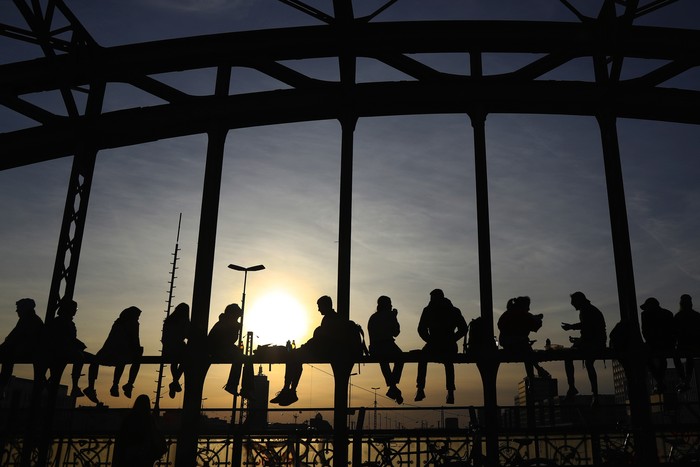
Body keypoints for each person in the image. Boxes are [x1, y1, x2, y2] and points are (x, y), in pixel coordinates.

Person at [270, 295, 343, 406]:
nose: (318, 309)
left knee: (292, 357)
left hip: (324, 352)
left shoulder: (330, 319)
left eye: (319, 306)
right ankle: (289, 391)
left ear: (325, 305)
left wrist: (307, 346)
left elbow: (323, 341)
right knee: (294, 358)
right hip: (325, 350)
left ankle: (288, 390)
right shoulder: (331, 318)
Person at [415, 289, 468, 404]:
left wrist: (429, 340)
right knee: (448, 363)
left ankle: (420, 389)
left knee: (423, 359)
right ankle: (450, 392)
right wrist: (452, 338)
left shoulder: (428, 310)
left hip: (434, 344)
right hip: (448, 344)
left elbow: (421, 329)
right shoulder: (453, 310)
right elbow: (463, 328)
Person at [83, 306, 144, 404]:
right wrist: (137, 349)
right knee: (133, 360)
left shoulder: (118, 323)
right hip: (120, 352)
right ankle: (127, 384)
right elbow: (135, 338)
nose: (138, 318)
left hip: (108, 351)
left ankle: (92, 386)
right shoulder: (132, 323)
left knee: (95, 362)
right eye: (137, 316)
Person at [562, 292, 607, 406]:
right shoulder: (590, 309)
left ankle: (572, 387)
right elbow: (589, 329)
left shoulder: (586, 310)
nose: (572, 305)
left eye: (573, 302)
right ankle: (595, 394)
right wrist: (578, 340)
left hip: (593, 343)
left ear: (578, 301)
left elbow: (586, 326)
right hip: (598, 342)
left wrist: (571, 327)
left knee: (568, 356)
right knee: (589, 364)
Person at [43, 299, 91, 398]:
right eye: (74, 308)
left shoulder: (68, 323)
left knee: (55, 377)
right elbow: (62, 338)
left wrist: (78, 343)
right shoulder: (60, 322)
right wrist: (76, 344)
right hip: (60, 351)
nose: (75, 310)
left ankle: (77, 387)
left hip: (64, 350)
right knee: (79, 357)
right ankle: (75, 386)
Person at [497, 296, 551, 383]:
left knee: (526, 349)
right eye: (527, 306)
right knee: (527, 351)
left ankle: (535, 373)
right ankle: (535, 372)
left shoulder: (509, 313)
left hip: (508, 343)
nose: (529, 309)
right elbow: (535, 326)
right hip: (513, 345)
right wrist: (537, 318)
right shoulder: (521, 315)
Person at [0, 298, 44, 398]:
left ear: (25, 308)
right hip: (25, 349)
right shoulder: (29, 319)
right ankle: (2, 385)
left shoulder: (28, 319)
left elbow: (13, 337)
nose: (17, 311)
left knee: (7, 356)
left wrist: (3, 347)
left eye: (19, 308)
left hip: (27, 351)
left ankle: (2, 385)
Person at [207, 303, 253, 399]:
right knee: (243, 358)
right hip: (217, 351)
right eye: (236, 316)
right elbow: (225, 341)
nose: (237, 318)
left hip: (221, 350)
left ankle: (242, 387)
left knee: (244, 358)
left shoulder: (225, 323)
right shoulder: (225, 324)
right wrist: (236, 329)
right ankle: (238, 386)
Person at [112, 394, 167, 467]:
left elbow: (122, 438)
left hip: (129, 454)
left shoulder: (129, 419)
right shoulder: (150, 420)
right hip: (145, 455)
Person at [368, 296, 404, 405]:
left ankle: (393, 387)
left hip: (375, 348)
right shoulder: (389, 315)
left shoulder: (373, 317)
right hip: (387, 344)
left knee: (384, 362)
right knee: (401, 357)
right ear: (387, 305)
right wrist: (394, 317)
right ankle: (393, 387)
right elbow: (396, 332)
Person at [639, 297, 675, 394]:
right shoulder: (668, 313)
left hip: (654, 344)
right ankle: (660, 382)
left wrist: (650, 343)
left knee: (648, 360)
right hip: (667, 344)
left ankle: (659, 382)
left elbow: (645, 331)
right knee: (662, 359)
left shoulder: (645, 314)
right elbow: (672, 331)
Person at [673, 294, 700, 393]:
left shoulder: (678, 316)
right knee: (690, 358)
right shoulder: (697, 316)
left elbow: (674, 333)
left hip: (683, 345)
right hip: (695, 345)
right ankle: (686, 379)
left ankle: (683, 378)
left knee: (676, 357)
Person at [162, 302, 189, 398]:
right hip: (177, 347)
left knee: (174, 362)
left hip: (168, 348)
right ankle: (174, 382)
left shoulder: (169, 320)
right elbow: (187, 334)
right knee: (184, 361)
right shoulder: (182, 321)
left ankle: (175, 382)